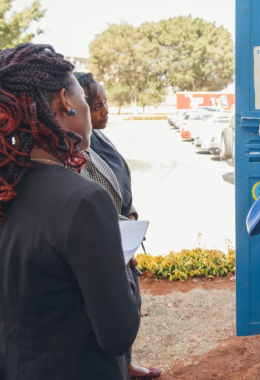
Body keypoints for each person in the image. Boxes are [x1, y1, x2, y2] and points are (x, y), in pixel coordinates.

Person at [0, 44, 141, 380]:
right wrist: (122, 269)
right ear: (65, 101)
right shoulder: (84, 200)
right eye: (82, 97)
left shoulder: (9, 186)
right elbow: (118, 334)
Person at [75, 72, 161, 380]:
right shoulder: (76, 151)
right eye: (96, 105)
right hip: (108, 240)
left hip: (122, 233)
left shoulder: (98, 138)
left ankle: (126, 364)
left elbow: (118, 185)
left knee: (130, 300)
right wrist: (121, 229)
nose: (104, 110)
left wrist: (131, 217)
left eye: (105, 102)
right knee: (115, 307)